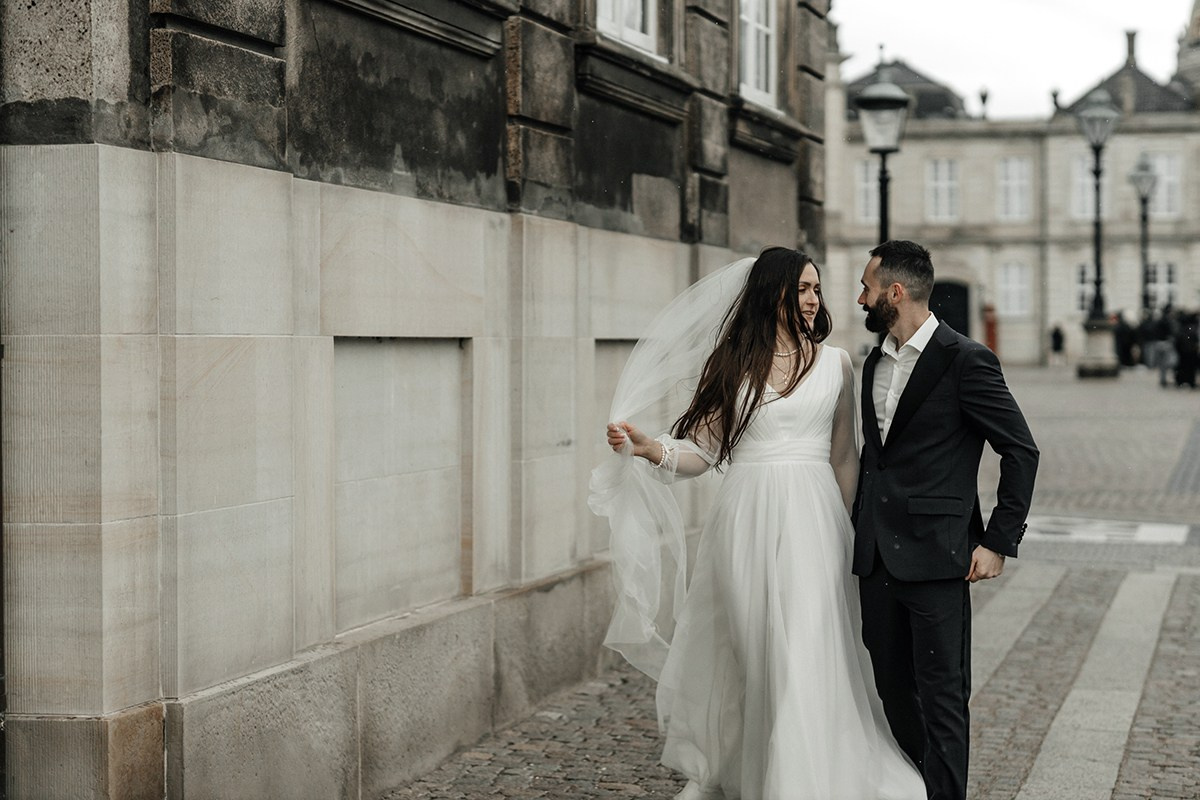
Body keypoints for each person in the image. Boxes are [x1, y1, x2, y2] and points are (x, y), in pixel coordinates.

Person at [592, 247, 925, 800]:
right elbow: (703, 453)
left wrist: (855, 533)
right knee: (751, 648)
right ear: (771, 294)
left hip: (816, 522)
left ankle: (802, 780)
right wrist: (653, 449)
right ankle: (739, 766)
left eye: (816, 288)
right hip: (744, 518)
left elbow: (845, 458)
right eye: (801, 288)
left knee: (807, 649)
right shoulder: (731, 366)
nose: (813, 298)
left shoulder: (837, 363)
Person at [852, 240, 1039, 800]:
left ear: (895, 292)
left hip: (939, 556)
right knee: (891, 689)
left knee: (942, 697)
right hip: (877, 557)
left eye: (866, 288)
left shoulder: (967, 361)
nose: (859, 299)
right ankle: (915, 788)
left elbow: (1020, 450)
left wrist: (998, 541)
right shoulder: (874, 362)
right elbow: (876, 458)